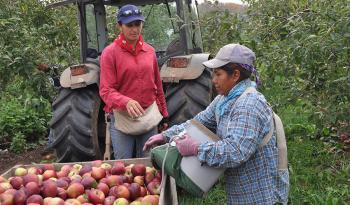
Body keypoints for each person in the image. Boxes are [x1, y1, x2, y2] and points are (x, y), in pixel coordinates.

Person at [144, 44, 289, 204]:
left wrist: (197, 148)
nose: (213, 80)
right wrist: (166, 135)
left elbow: (235, 151)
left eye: (218, 74)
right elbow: (199, 121)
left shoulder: (249, 105)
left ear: (235, 75)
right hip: (239, 188)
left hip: (258, 194)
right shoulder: (224, 99)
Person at [99, 4, 168, 159]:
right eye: (129, 25)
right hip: (123, 120)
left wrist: (164, 113)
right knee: (123, 166)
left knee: (148, 164)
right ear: (119, 26)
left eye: (138, 24)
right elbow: (105, 90)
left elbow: (157, 85)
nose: (135, 29)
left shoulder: (149, 51)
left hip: (148, 118)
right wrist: (126, 102)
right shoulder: (110, 53)